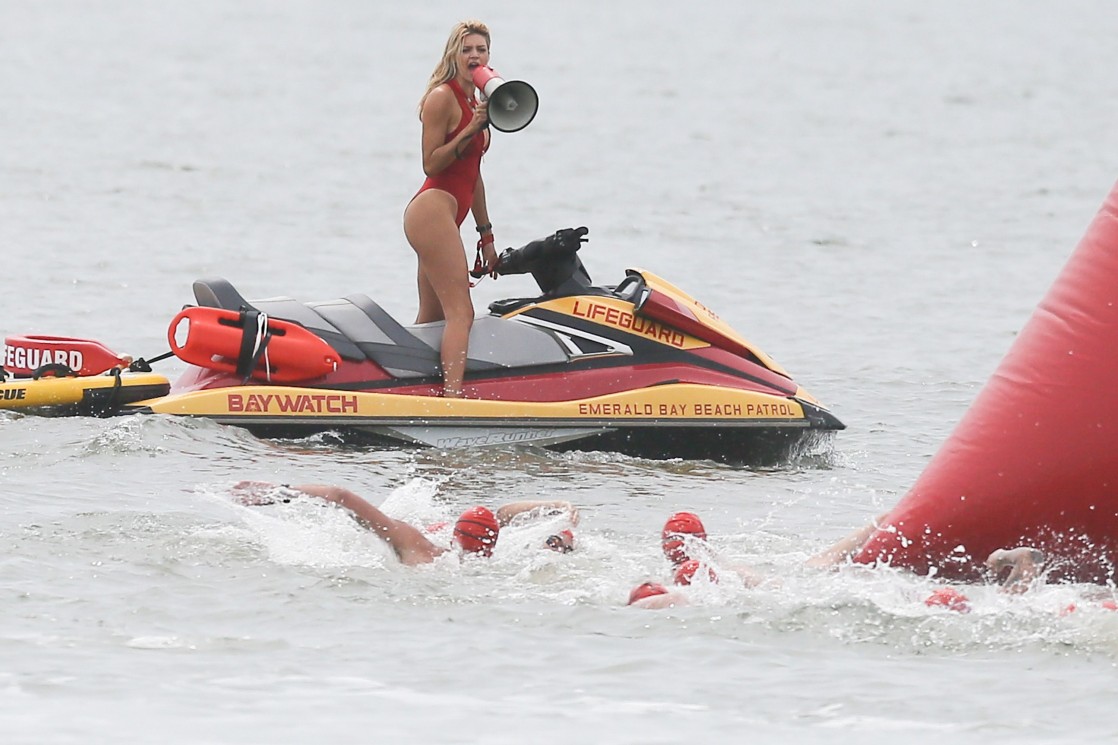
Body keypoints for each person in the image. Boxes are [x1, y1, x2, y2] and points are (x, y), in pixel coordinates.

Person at [402, 19, 500, 398]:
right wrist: (470, 130)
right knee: (463, 312)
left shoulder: (479, 103)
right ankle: (453, 401)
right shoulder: (442, 98)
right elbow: (432, 163)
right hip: (431, 211)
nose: (474, 56)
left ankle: (403, 387)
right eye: (466, 49)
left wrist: (486, 236)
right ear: (453, 55)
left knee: (432, 320)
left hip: (450, 216)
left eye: (481, 49)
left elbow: (473, 176)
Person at [232, 481, 578, 566]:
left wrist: (275, 493)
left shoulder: (417, 545)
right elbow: (503, 514)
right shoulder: (501, 561)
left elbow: (340, 495)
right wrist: (558, 507)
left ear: (455, 532)